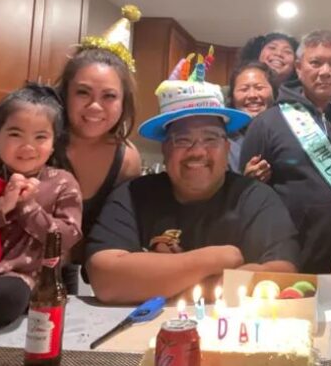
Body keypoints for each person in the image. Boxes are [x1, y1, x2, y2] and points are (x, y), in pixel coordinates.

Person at [85, 52, 300, 304]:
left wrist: (159, 281)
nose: (197, 151)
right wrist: (219, 258)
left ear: (227, 148)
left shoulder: (256, 198)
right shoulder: (132, 195)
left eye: (210, 138)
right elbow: (106, 280)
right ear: (165, 149)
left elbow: (283, 274)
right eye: (183, 140)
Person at [240, 30, 331, 273]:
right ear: (298, 67)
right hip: (290, 257)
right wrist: (249, 181)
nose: (325, 72)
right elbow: (245, 195)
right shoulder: (267, 123)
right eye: (315, 63)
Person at [55, 5, 143, 293]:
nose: (94, 107)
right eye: (83, 92)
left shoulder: (127, 159)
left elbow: (116, 232)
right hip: (13, 272)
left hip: (80, 282)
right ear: (65, 93)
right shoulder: (36, 139)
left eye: (109, 96)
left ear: (123, 103)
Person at [0, 83, 82, 327]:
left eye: (40, 137)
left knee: (5, 299)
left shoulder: (62, 182)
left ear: (52, 144)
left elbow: (68, 236)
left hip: (23, 277)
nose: (28, 147)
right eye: (15, 134)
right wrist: (1, 207)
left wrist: (28, 208)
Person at [225, 61, 277, 174]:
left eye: (259, 88)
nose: (252, 95)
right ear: (232, 97)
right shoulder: (224, 141)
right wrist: (245, 182)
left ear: (274, 92)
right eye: (244, 89)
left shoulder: (289, 130)